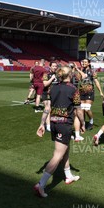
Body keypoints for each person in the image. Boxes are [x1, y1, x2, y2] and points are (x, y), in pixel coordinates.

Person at [34, 66, 81, 197]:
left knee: (65, 149)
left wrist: (42, 123)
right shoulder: (73, 89)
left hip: (54, 123)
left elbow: (47, 107)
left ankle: (68, 176)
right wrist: (82, 123)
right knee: (58, 155)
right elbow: (78, 110)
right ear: (70, 75)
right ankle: (41, 185)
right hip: (64, 124)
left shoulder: (53, 87)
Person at [78, 59, 104, 131]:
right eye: (83, 62)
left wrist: (100, 92)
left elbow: (96, 82)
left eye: (85, 62)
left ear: (89, 63)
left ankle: (91, 121)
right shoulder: (81, 71)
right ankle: (82, 124)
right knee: (82, 109)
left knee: (86, 109)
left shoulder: (92, 71)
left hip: (90, 92)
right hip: (81, 92)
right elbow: (78, 80)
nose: (83, 63)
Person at [41, 61, 60, 132]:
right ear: (50, 66)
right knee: (48, 109)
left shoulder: (58, 74)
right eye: (53, 66)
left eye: (56, 66)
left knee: (54, 109)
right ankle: (48, 125)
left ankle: (52, 124)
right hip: (47, 93)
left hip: (55, 94)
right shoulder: (46, 74)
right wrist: (51, 79)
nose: (55, 67)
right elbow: (45, 84)